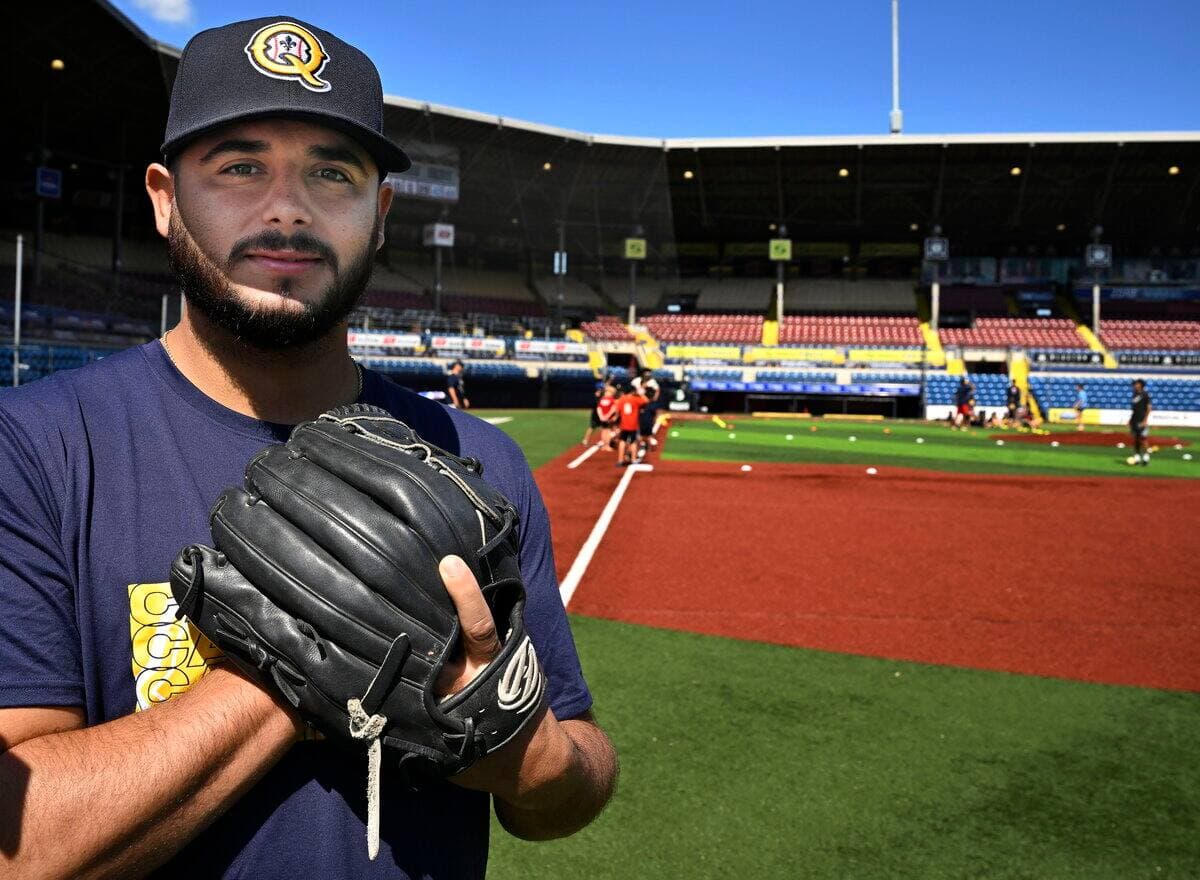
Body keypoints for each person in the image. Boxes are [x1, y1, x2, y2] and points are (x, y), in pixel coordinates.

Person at [0, 18, 615, 880]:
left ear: (380, 211)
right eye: (240, 167)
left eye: (333, 172)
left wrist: (525, 752)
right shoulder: (31, 452)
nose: (287, 207)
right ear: (165, 196)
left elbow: (577, 781)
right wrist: (297, 663)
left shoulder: (475, 463)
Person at [614, 382, 647, 466]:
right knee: (633, 442)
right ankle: (633, 459)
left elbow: (617, 411)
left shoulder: (622, 399)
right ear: (633, 391)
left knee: (622, 441)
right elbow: (646, 400)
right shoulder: (635, 399)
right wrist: (640, 393)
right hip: (633, 424)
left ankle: (620, 460)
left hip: (624, 424)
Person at [1129, 378, 1153, 466]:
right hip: (1134, 420)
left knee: (1143, 439)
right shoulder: (1134, 394)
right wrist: (1130, 419)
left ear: (1141, 385)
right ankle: (1137, 457)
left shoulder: (1145, 394)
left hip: (1141, 420)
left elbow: (1149, 407)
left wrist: (1145, 420)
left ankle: (1146, 458)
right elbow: (1134, 409)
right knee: (1136, 439)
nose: (1134, 385)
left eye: (1136, 384)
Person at [595, 382, 619, 450]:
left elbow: (598, 408)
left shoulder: (602, 399)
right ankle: (607, 445)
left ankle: (604, 445)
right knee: (608, 431)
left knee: (603, 431)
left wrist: (601, 417)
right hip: (609, 418)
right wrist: (607, 416)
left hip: (602, 418)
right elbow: (613, 409)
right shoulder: (611, 399)